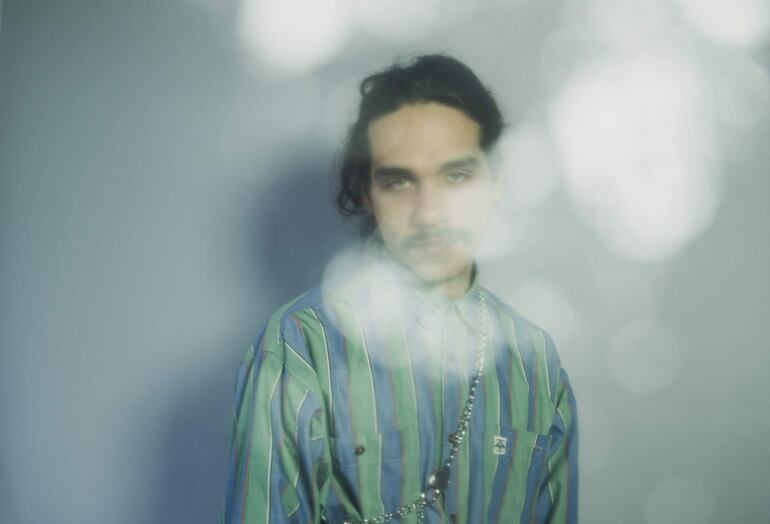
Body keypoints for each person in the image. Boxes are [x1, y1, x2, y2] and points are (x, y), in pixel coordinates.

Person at [223, 53, 578, 524]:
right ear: (366, 193)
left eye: (456, 176)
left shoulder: (535, 362)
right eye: (400, 181)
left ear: (495, 181)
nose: (429, 211)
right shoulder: (298, 348)